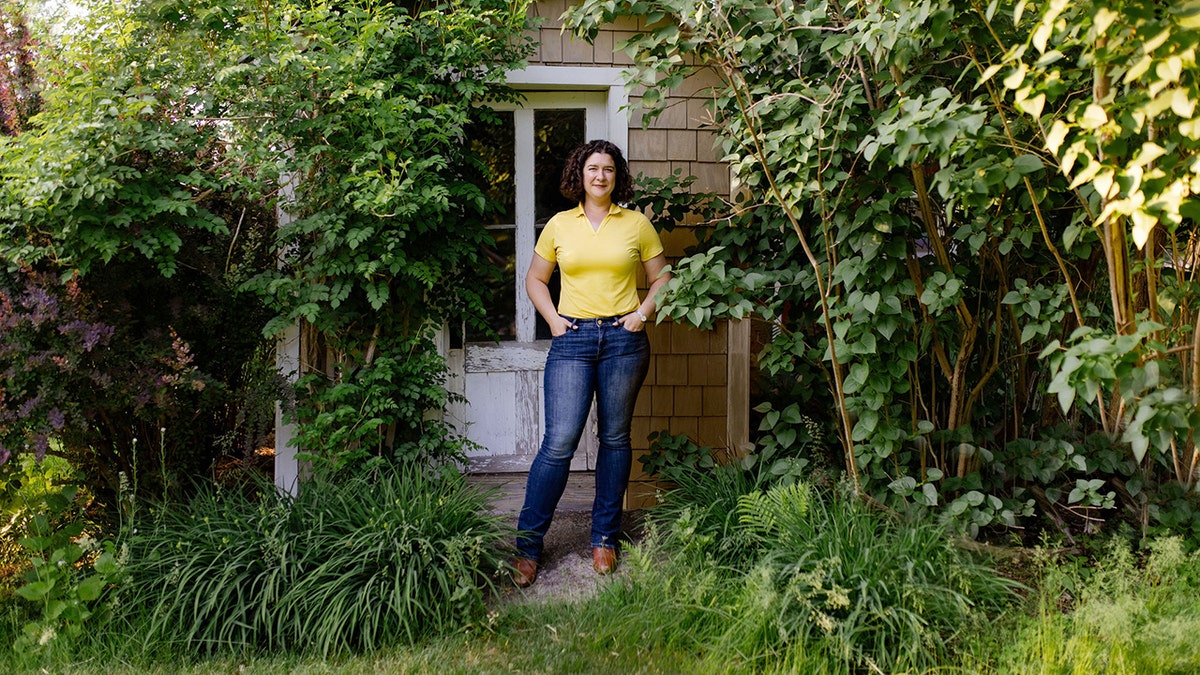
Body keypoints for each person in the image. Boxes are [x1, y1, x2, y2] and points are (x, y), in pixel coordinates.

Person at [511, 139, 671, 587]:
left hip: (623, 342)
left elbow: (663, 276)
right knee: (558, 443)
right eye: (592, 169)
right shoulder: (560, 225)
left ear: (617, 176)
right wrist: (553, 322)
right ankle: (528, 546)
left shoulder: (636, 224)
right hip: (574, 340)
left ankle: (605, 537)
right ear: (578, 175)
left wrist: (642, 314)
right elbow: (535, 279)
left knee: (615, 437)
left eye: (608, 169)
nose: (600, 176)